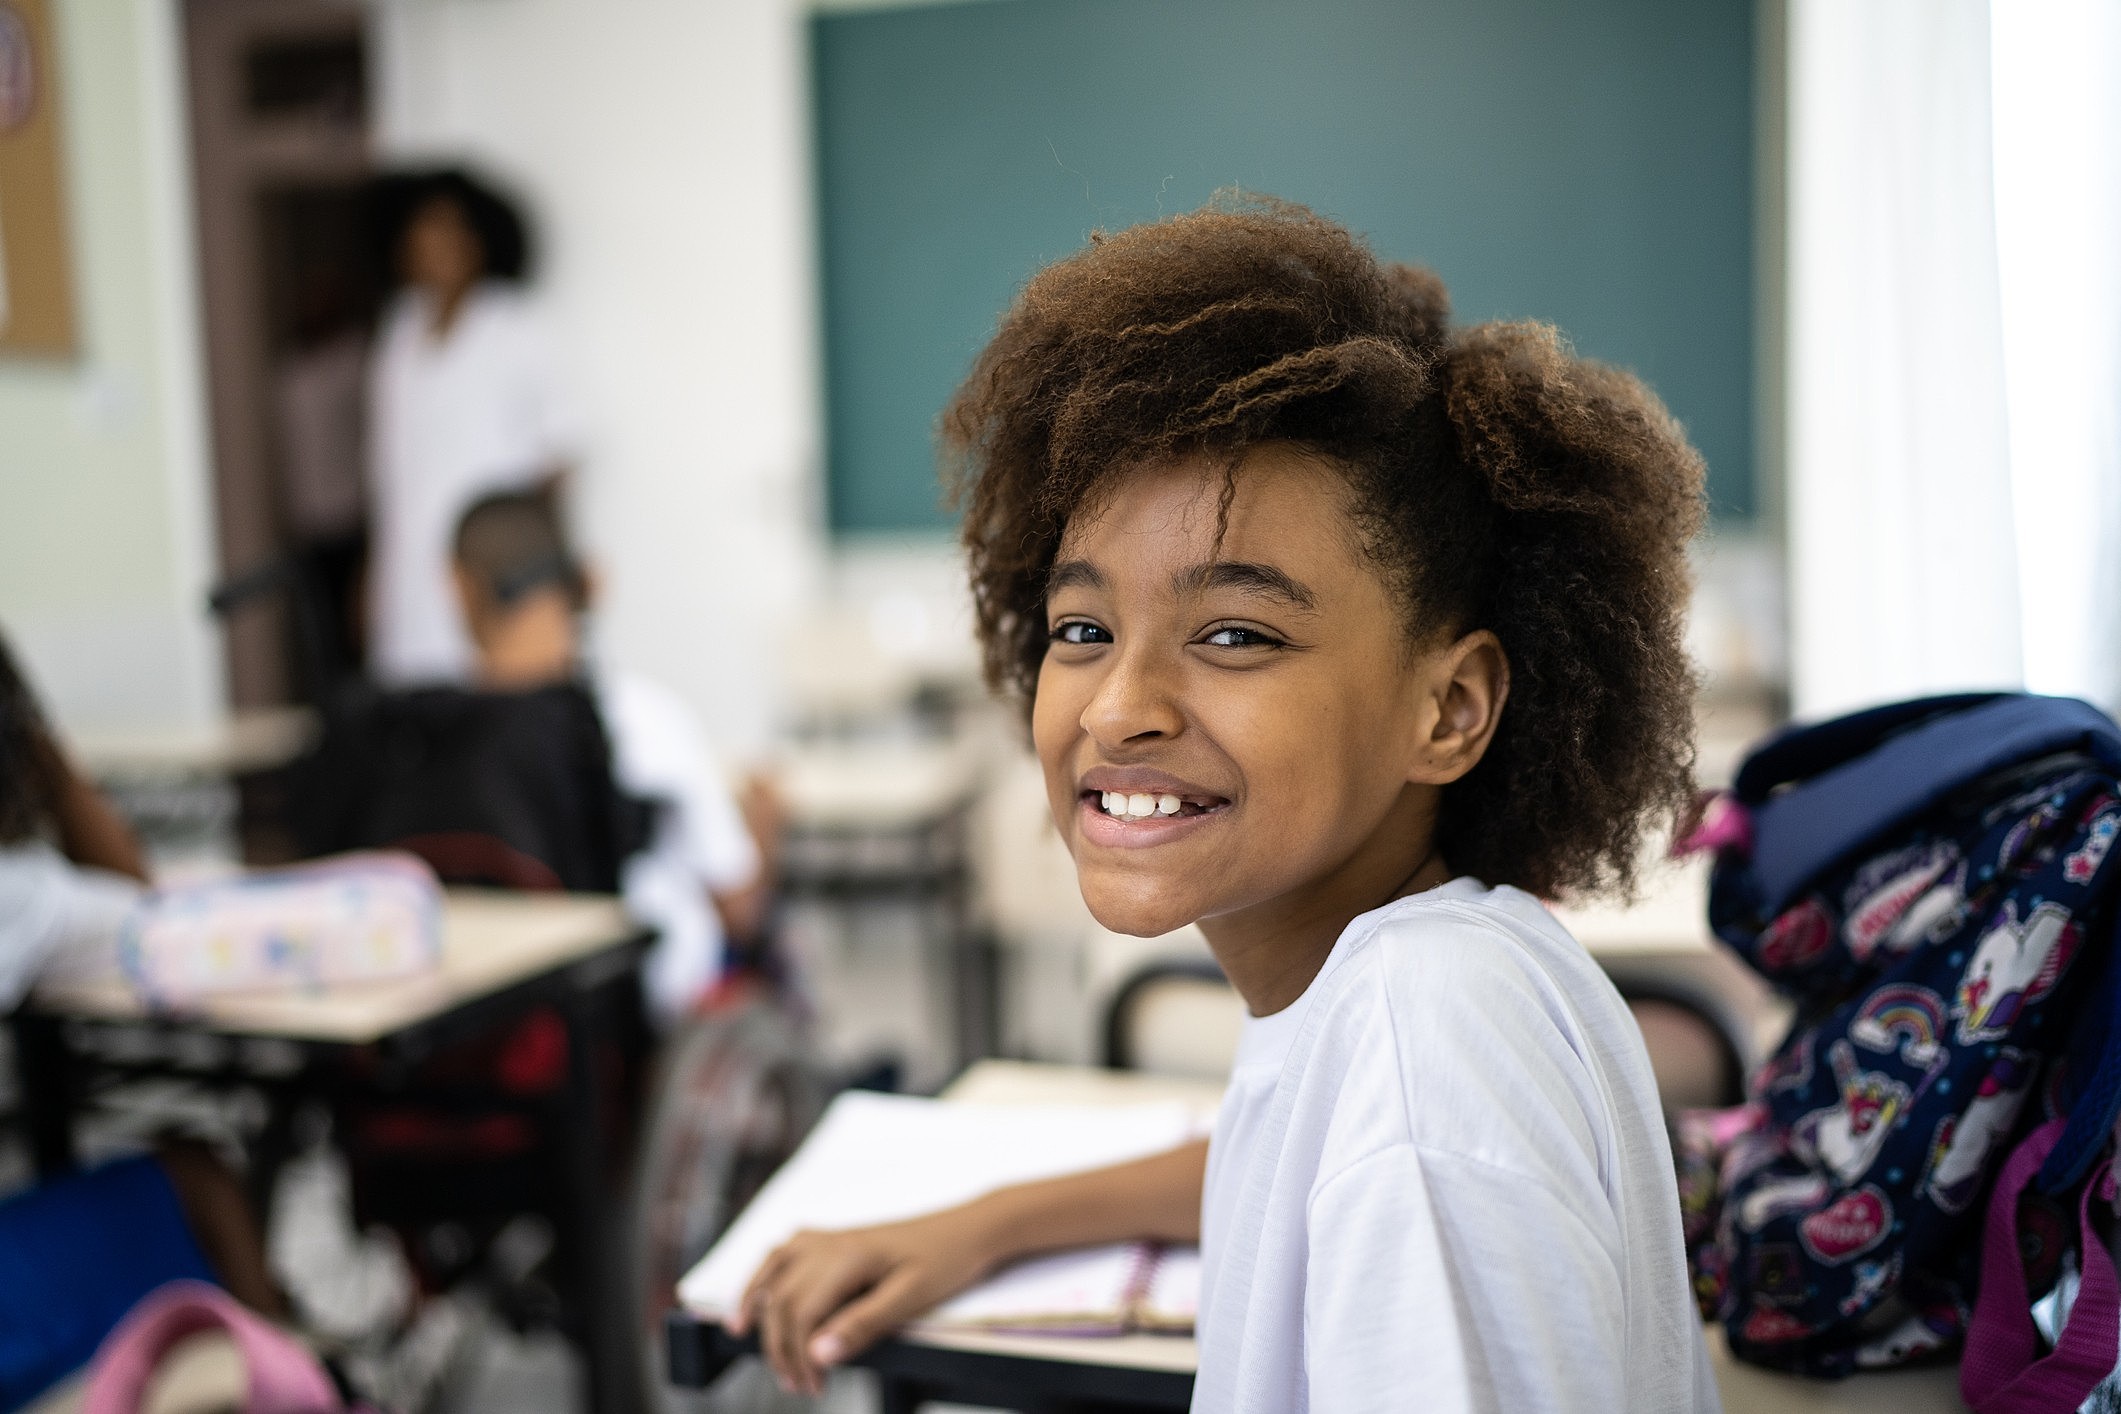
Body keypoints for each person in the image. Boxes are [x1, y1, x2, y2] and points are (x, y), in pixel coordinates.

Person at [730, 199, 1718, 1411]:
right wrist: (983, 1224)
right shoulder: (1385, 979)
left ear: (1449, 707)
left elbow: (1397, 1153)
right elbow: (1265, 1156)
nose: (1116, 709)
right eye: (1083, 629)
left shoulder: (1428, 1041)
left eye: (1237, 633)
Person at [0, 633, 282, 1413]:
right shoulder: (22, 894)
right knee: (197, 1173)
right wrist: (50, 765)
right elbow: (143, 914)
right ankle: (293, 1389)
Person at [449, 490, 772, 1020]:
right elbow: (740, 912)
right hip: (628, 1019)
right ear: (586, 583)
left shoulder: (430, 742)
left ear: (458, 588)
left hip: (486, 1025)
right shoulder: (643, 721)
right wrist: (765, 820)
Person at [365, 167, 584, 686]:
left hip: (493, 562)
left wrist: (548, 577)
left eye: (453, 230)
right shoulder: (400, 331)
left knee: (492, 697)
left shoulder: (514, 327)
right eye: (424, 229)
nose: (437, 245)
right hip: (410, 567)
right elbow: (389, 467)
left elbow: (557, 460)